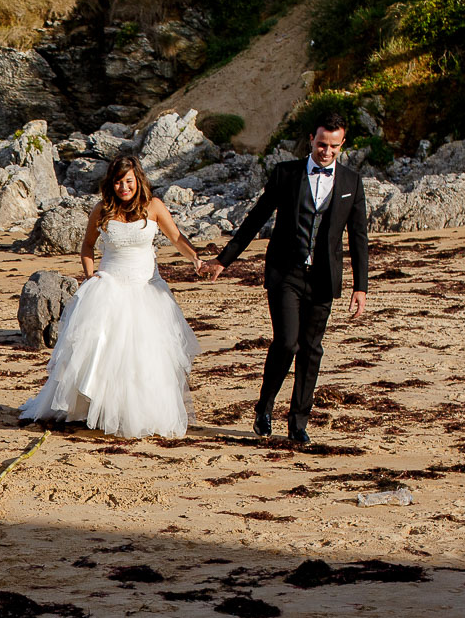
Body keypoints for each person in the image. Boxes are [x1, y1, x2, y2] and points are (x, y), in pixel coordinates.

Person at [201, 110, 368, 444]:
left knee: (311, 348)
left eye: (334, 147)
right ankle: (265, 406)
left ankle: (298, 423)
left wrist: (360, 286)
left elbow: (359, 237)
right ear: (311, 140)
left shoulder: (351, 182)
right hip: (285, 274)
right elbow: (256, 218)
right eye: (322, 144)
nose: (327, 152)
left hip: (324, 277)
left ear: (342, 144)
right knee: (287, 342)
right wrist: (224, 259)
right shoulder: (286, 174)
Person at [20, 154, 203, 438]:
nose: (123, 187)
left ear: (137, 180)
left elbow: (176, 238)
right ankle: (91, 408)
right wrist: (91, 277)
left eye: (128, 181)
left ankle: (136, 413)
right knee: (99, 352)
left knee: (143, 356)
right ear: (112, 183)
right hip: (109, 288)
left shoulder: (153, 207)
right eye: (118, 182)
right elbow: (87, 247)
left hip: (146, 290)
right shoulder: (103, 209)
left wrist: (195, 259)